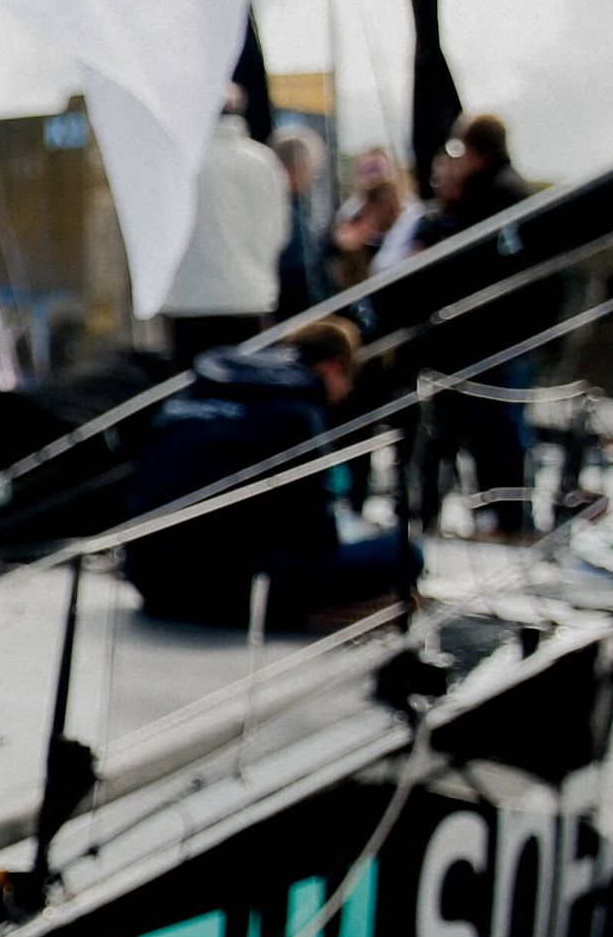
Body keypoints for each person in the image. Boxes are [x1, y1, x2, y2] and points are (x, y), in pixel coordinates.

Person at [124, 316, 414, 628]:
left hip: (149, 579)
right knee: (406, 552)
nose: (344, 395)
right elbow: (316, 538)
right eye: (349, 380)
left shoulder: (201, 389)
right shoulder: (296, 412)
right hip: (223, 591)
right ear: (333, 366)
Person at [414, 112, 540, 536]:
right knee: (490, 427)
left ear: (472, 150)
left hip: (492, 336)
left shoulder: (490, 195)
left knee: (495, 427)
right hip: (505, 333)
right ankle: (500, 514)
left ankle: (505, 517)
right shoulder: (512, 190)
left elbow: (468, 267)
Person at [159, 90, 290, 361]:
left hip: (189, 301)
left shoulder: (180, 160)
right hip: (250, 297)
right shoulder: (264, 162)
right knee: (247, 388)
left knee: (192, 392)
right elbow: (279, 234)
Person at [270, 125, 337, 316]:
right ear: (301, 167)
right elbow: (302, 269)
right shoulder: (289, 213)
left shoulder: (291, 209)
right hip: (296, 313)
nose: (311, 178)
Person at [332, 145, 413, 290]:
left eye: (378, 170)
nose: (375, 178)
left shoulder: (408, 210)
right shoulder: (351, 212)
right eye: (369, 171)